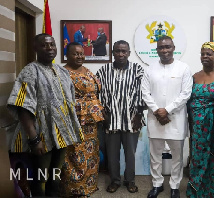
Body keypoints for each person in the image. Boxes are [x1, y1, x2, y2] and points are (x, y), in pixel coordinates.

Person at [7, 33, 84, 197]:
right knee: (41, 178)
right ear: (35, 48)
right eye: (44, 45)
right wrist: (34, 139)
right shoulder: (30, 71)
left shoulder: (61, 71)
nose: (49, 48)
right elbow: (22, 107)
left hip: (61, 136)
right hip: (41, 136)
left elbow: (68, 102)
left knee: (55, 176)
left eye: (52, 45)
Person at [142, 36, 193, 198]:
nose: (164, 50)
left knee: (177, 156)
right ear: (157, 50)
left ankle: (175, 186)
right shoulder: (150, 69)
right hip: (155, 119)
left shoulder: (183, 68)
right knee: (155, 155)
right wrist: (158, 111)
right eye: (161, 47)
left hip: (176, 120)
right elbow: (145, 93)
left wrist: (167, 110)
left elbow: (186, 93)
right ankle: (157, 184)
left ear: (173, 47)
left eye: (168, 47)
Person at [97, 40, 145, 193]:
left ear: (129, 53)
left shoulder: (138, 69)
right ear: (112, 52)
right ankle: (115, 180)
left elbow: (143, 93)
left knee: (130, 154)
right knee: (112, 154)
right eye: (117, 51)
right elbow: (95, 93)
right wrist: (103, 115)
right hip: (110, 120)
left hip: (132, 120)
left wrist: (139, 114)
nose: (120, 54)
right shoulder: (103, 71)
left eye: (124, 51)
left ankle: (130, 181)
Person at [60, 42, 104, 197]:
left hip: (91, 122)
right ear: (67, 55)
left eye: (81, 53)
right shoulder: (62, 72)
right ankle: (75, 189)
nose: (79, 56)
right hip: (74, 120)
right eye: (75, 53)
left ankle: (89, 186)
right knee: (75, 155)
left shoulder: (86, 70)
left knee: (91, 154)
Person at [186, 42, 214, 198]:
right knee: (197, 157)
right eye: (202, 54)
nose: (205, 57)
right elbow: (189, 101)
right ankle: (197, 192)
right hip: (196, 126)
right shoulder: (195, 77)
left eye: (208, 54)